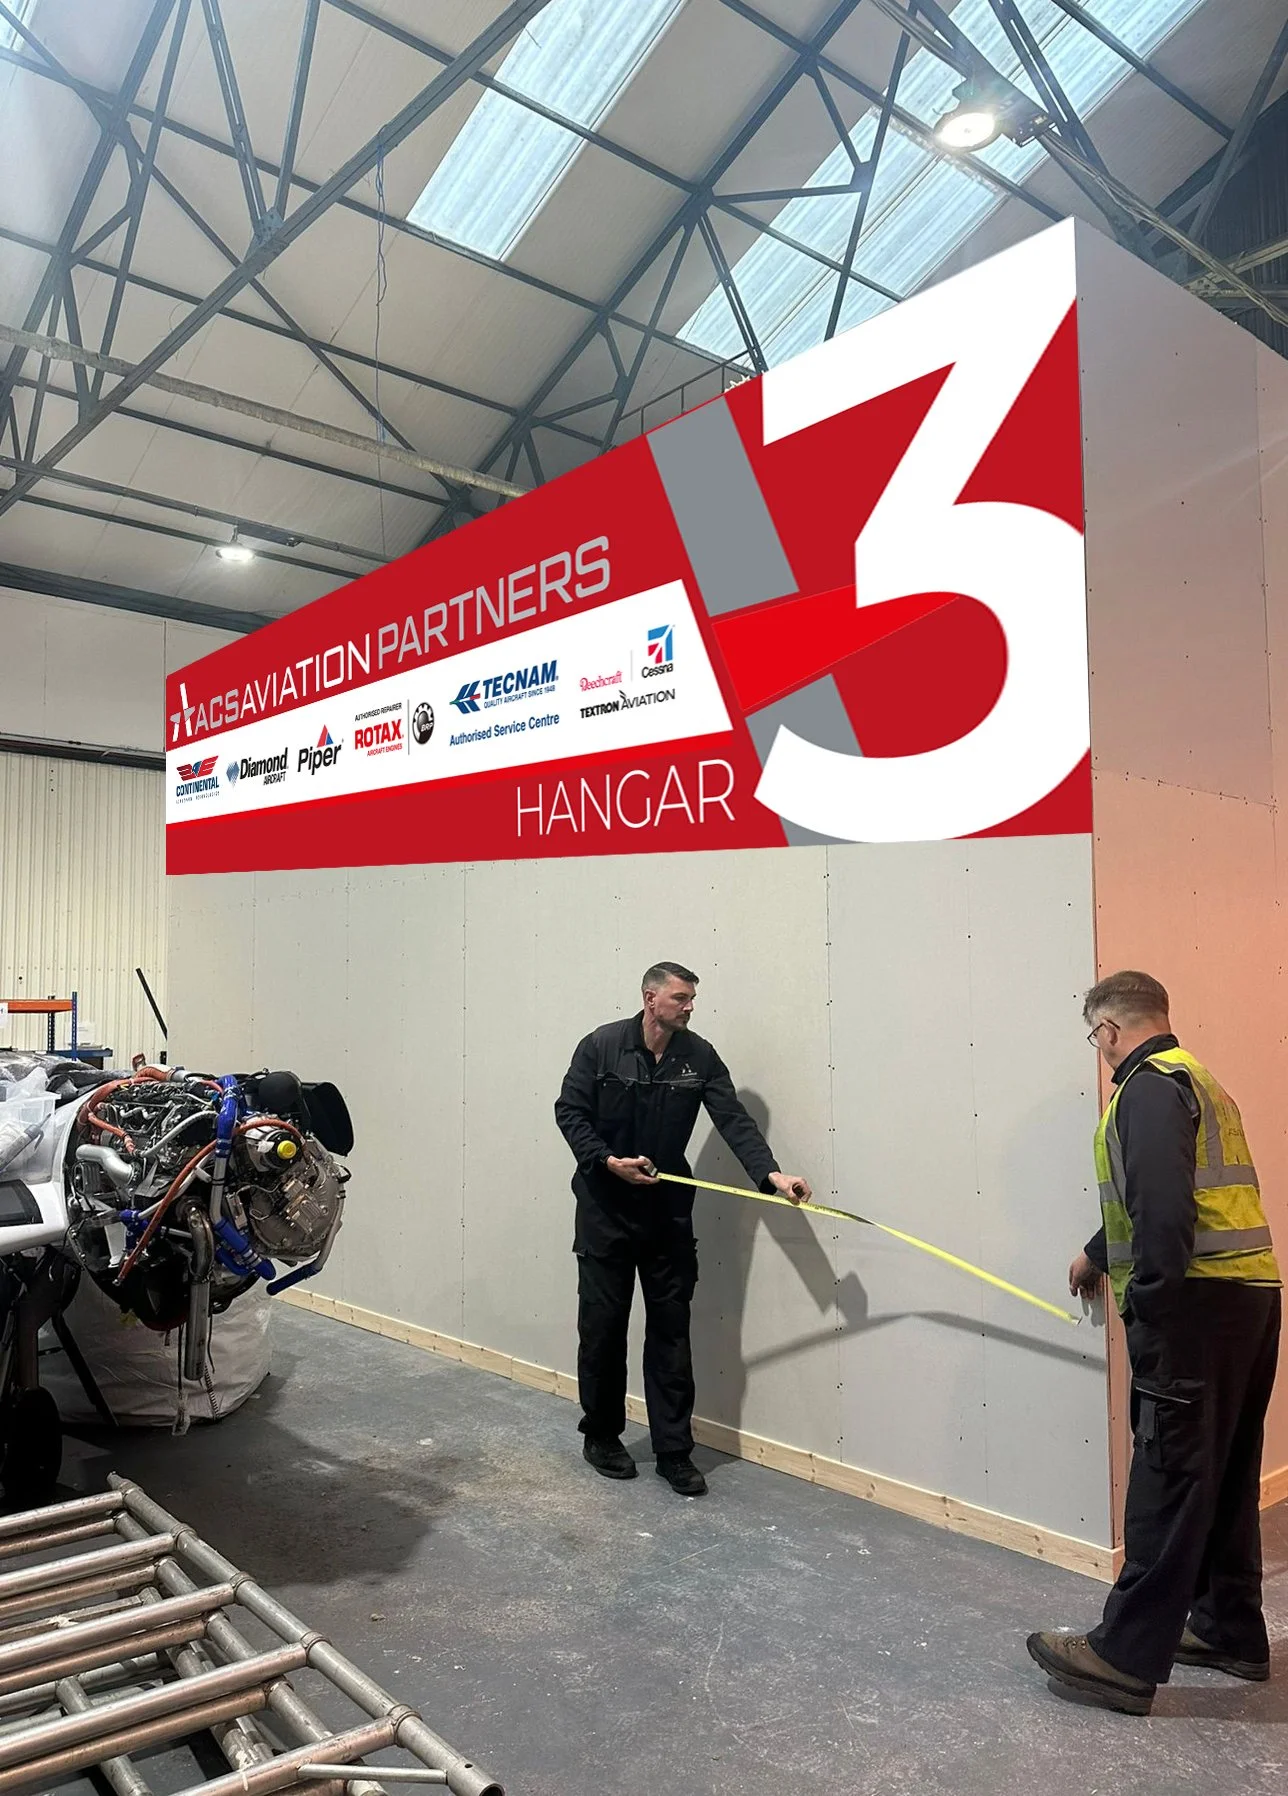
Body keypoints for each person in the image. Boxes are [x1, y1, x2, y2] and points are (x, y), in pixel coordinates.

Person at [1028, 970, 1280, 1714]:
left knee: (1168, 1477)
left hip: (1191, 1309)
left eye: (1094, 1038)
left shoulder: (1141, 1090)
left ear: (1109, 1029)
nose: (1098, 1051)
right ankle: (1229, 1629)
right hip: (1247, 1301)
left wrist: (1152, 1302)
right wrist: (1099, 1251)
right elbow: (1180, 1194)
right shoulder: (1198, 1080)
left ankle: (1122, 1656)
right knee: (1226, 1474)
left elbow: (1164, 1211)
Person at [554, 961, 812, 1497]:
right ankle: (601, 1435)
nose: (690, 1006)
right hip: (605, 1209)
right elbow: (570, 1112)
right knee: (602, 1331)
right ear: (651, 999)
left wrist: (771, 1175)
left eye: (692, 998)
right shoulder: (600, 1047)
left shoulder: (698, 1056)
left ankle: (673, 1451)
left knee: (671, 1333)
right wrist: (606, 1161)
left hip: (667, 1212)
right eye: (681, 997)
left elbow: (732, 1118)